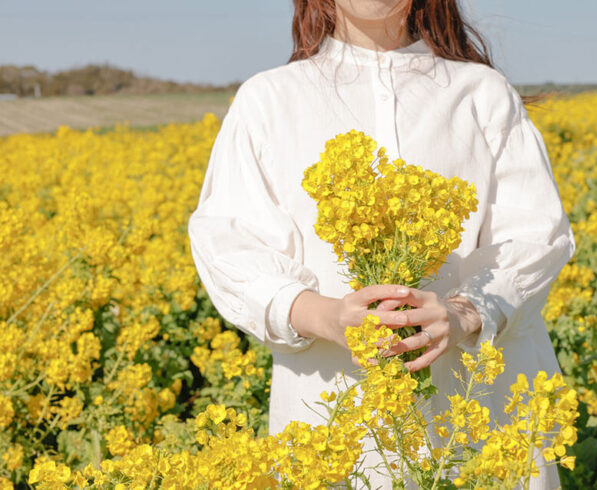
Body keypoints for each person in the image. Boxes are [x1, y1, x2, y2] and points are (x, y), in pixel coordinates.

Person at [187, 0, 576, 487]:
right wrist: (326, 316)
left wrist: (463, 312)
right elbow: (228, 243)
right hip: (334, 423)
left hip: (482, 420)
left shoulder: (483, 94)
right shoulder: (268, 100)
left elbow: (535, 236)